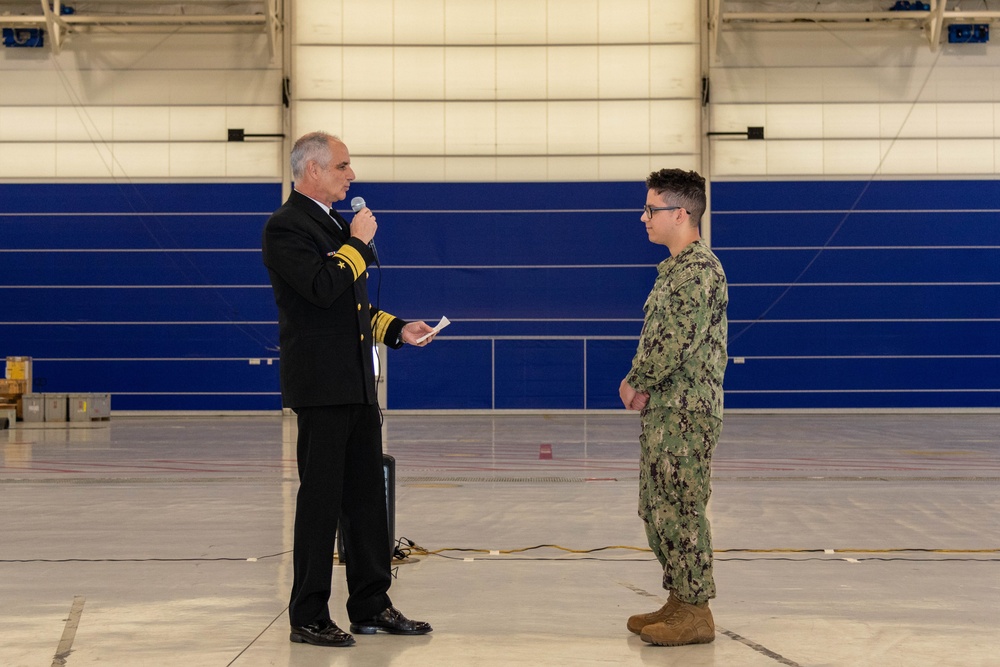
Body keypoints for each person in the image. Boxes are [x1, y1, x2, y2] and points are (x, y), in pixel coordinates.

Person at [262, 131, 436, 648]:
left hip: (358, 382)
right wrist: (357, 243)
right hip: (321, 386)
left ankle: (371, 604)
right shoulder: (286, 227)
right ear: (312, 170)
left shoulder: (334, 224)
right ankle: (308, 614)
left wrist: (397, 328)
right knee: (320, 502)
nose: (351, 175)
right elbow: (320, 289)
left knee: (366, 499)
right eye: (342, 166)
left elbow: (352, 310)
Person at [618, 168, 728, 647]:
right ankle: (680, 598)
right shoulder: (675, 271)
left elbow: (674, 343)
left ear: (680, 213)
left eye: (652, 209)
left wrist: (635, 382)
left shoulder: (699, 271)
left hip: (686, 412)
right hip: (666, 412)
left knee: (682, 507)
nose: (644, 217)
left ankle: (696, 610)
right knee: (657, 508)